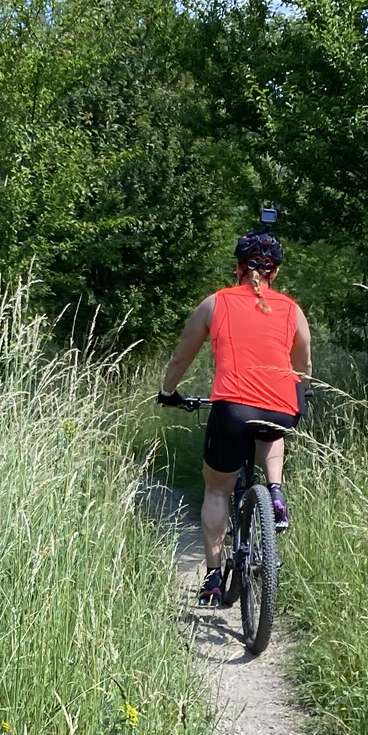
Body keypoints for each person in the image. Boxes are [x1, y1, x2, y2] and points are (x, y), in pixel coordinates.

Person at [157, 232, 312, 606]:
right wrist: (300, 393)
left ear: (238, 268)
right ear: (275, 272)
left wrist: (167, 392)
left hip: (232, 408)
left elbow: (180, 358)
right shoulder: (292, 309)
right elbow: (304, 365)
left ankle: (213, 576)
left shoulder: (216, 303)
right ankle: (275, 490)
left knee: (217, 490)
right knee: (274, 428)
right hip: (280, 407)